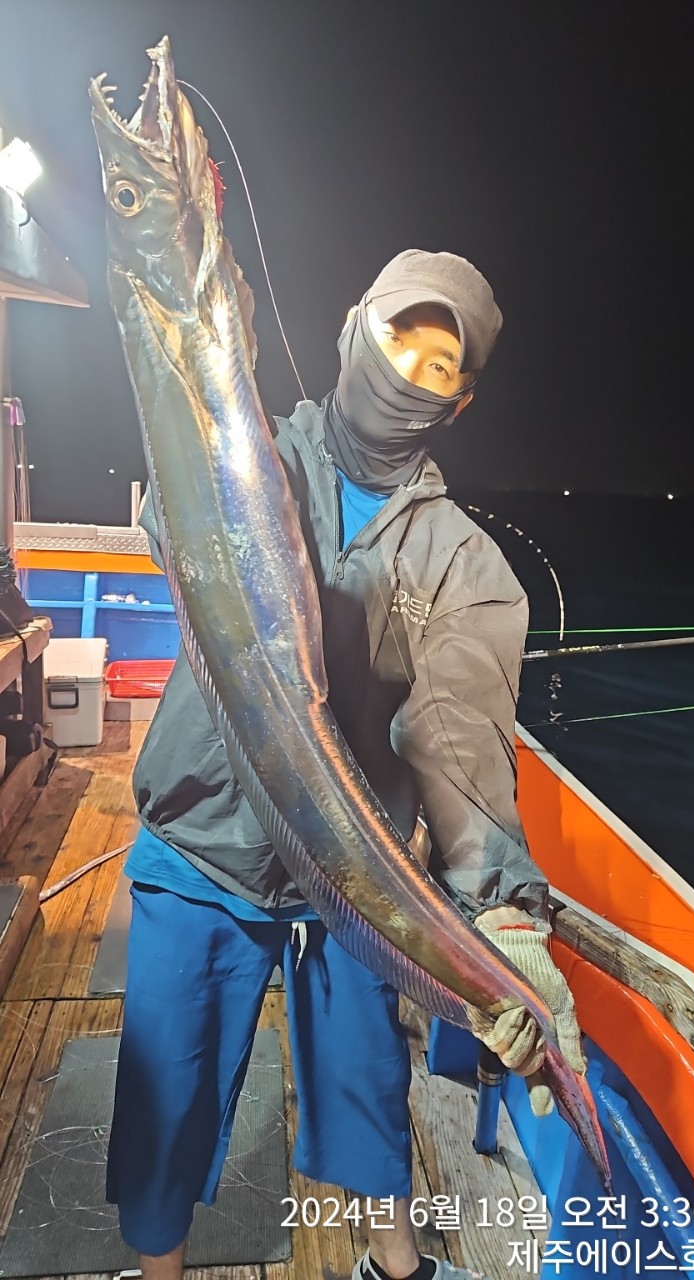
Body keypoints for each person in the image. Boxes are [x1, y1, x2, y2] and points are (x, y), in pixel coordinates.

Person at [106, 249, 585, 1280]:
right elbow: (174, 511)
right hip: (202, 845)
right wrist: (200, 345)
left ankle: (393, 1265)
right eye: (399, 337)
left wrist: (503, 910)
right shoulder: (258, 452)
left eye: (439, 363)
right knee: (165, 1094)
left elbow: (460, 737)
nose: (410, 370)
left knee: (372, 1089)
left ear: (459, 402)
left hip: (353, 876)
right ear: (351, 328)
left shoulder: (463, 563)